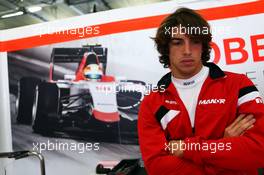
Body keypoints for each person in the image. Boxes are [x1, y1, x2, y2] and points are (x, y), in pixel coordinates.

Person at [137, 7, 264, 175]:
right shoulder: (152, 102)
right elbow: (158, 167)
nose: (187, 51)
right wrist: (222, 146)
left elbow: (258, 150)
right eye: (177, 42)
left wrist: (189, 148)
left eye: (195, 41)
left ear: (203, 46)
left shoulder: (238, 84)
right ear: (166, 48)